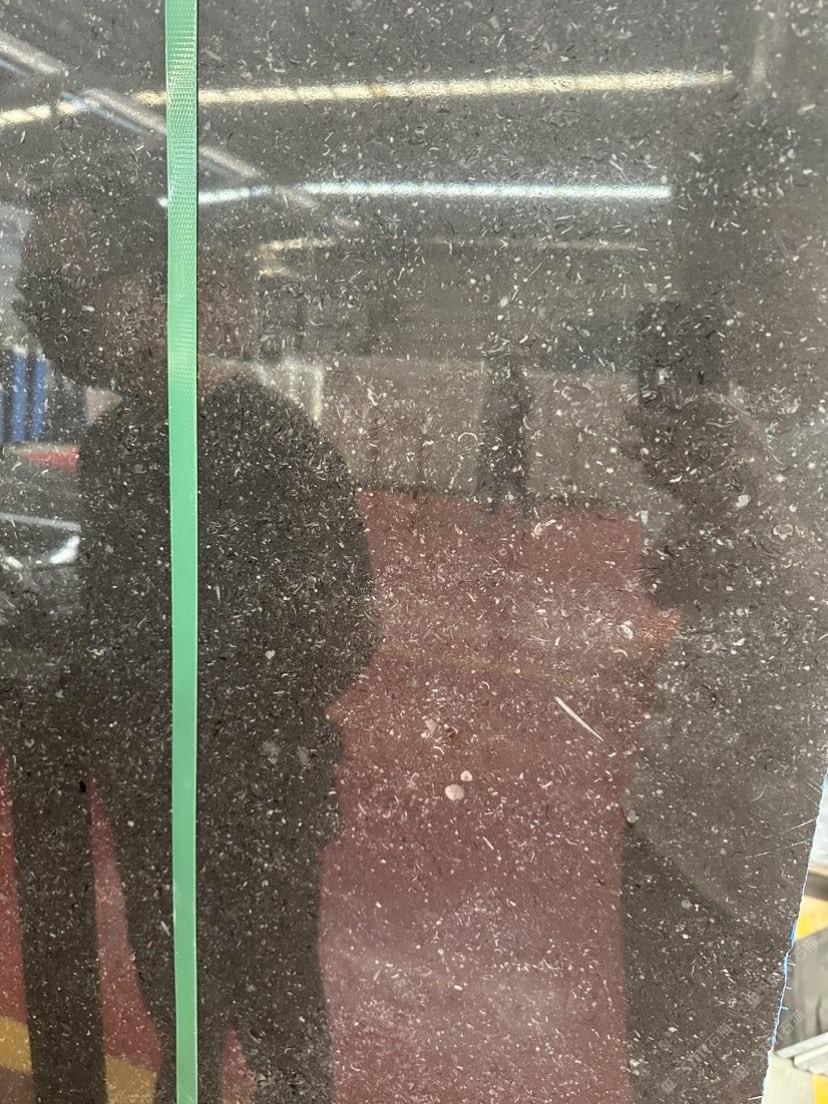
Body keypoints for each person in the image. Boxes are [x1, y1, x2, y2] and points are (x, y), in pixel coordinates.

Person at [18, 150, 379, 1102]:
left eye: (69, 285)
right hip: (155, 801)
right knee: (181, 1013)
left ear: (156, 286)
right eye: (34, 289)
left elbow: (349, 630)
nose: (49, 312)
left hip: (249, 807)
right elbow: (126, 614)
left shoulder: (268, 443)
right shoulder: (118, 443)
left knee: (279, 1033)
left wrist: (216, 731)